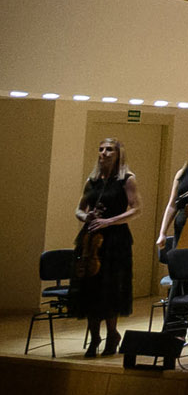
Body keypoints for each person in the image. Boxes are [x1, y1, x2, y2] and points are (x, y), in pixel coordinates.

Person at [75, 138, 141, 358]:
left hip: (115, 240)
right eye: (101, 149)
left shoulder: (127, 180)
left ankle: (112, 334)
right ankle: (94, 338)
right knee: (90, 290)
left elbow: (136, 209)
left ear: (118, 153)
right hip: (90, 239)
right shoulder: (92, 180)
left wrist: (109, 221)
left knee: (110, 289)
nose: (104, 153)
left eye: (109, 150)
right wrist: (87, 217)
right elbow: (79, 209)